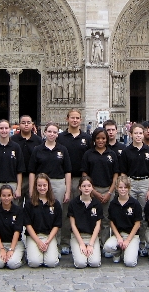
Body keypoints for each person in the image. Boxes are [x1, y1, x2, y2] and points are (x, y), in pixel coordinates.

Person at [28, 122, 71, 250]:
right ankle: (43, 240)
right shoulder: (37, 149)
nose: (52, 134)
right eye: (50, 131)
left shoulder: (62, 149)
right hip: (41, 184)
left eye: (55, 132)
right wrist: (31, 190)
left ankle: (60, 243)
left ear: (58, 134)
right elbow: (31, 171)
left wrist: (67, 190)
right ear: (44, 133)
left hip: (58, 183)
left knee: (59, 213)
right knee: (43, 212)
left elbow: (67, 171)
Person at [54, 109, 91, 255]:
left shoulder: (86, 138)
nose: (75, 120)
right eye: (72, 118)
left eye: (77, 118)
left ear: (80, 120)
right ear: (67, 119)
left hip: (82, 180)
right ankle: (64, 241)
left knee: (82, 211)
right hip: (65, 179)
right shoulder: (61, 137)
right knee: (65, 212)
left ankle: (81, 240)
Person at [120, 123, 149, 256]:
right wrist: (124, 188)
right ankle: (128, 241)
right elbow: (123, 172)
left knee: (143, 214)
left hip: (145, 182)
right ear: (131, 134)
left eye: (141, 133)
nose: (138, 136)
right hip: (131, 182)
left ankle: (141, 243)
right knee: (129, 213)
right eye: (136, 133)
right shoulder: (126, 151)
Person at [80, 128, 118, 251]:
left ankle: (105, 244)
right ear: (94, 140)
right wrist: (92, 191)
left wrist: (110, 192)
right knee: (92, 217)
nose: (100, 141)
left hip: (108, 189)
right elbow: (85, 174)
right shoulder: (88, 154)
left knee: (106, 219)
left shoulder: (111, 154)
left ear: (107, 139)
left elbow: (115, 175)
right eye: (98, 138)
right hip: (92, 190)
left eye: (103, 138)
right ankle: (93, 243)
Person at [24, 173, 62, 268]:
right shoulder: (29, 203)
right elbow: (28, 225)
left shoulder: (55, 204)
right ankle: (30, 252)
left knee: (51, 263)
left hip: (49, 236)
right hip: (34, 237)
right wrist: (38, 242)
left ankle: (51, 250)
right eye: (39, 185)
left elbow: (56, 225)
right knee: (35, 263)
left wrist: (48, 241)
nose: (42, 188)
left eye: (44, 185)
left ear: (48, 186)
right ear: (35, 186)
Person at [103, 176, 142, 266]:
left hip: (131, 236)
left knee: (130, 263)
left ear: (129, 188)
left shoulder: (135, 203)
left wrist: (128, 240)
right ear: (116, 188)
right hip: (119, 235)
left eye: (125, 187)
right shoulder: (113, 204)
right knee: (107, 247)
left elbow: (137, 224)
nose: (123, 190)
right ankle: (118, 252)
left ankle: (128, 250)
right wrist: (119, 237)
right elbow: (111, 222)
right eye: (120, 187)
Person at [0, 119, 24, 207]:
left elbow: (19, 170)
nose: (4, 130)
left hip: (12, 184)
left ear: (10, 129)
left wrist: (18, 188)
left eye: (6, 128)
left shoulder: (16, 147)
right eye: (1, 128)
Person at [68, 176, 103, 268]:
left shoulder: (97, 204)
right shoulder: (73, 203)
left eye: (89, 186)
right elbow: (73, 225)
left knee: (94, 263)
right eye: (83, 186)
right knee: (81, 264)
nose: (86, 188)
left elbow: (98, 225)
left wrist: (91, 244)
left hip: (92, 237)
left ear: (92, 187)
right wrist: (81, 244)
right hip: (78, 237)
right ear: (79, 187)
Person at [0, 184, 24, 269]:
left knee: (12, 264)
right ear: (0, 196)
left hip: (15, 244)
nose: (6, 198)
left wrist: (11, 249)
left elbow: (17, 231)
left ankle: (21, 257)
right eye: (3, 195)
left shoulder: (18, 211)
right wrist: (1, 249)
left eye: (9, 195)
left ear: (12, 196)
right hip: (0, 243)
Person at [11, 115, 43, 203]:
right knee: (17, 204)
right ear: (19, 125)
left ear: (32, 124)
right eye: (23, 123)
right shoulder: (13, 140)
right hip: (17, 177)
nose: (26, 125)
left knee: (33, 203)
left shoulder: (38, 140)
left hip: (34, 177)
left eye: (28, 123)